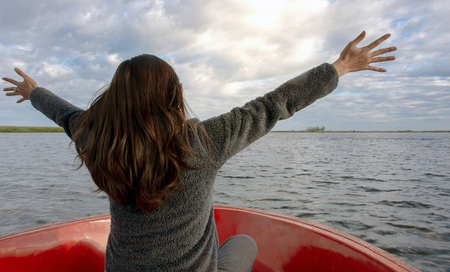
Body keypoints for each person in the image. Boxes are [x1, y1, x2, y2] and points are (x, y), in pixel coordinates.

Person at [2, 31, 396, 271]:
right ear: (174, 95)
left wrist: (33, 92)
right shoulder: (203, 143)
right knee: (243, 245)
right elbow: (274, 104)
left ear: (117, 99)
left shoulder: (96, 136)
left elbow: (63, 114)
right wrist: (339, 67)